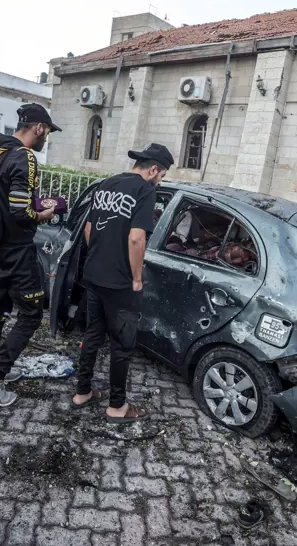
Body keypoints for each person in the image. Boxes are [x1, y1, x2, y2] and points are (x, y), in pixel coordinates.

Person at [71, 143, 174, 423]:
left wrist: (100, 257)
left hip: (93, 275)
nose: (159, 179)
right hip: (120, 284)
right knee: (121, 344)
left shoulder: (106, 184)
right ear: (153, 169)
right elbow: (136, 238)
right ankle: (117, 406)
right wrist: (137, 278)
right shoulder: (145, 190)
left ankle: (82, 392)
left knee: (93, 335)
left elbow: (90, 229)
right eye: (161, 174)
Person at [0, 104, 59, 407]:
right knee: (31, 314)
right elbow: (20, 210)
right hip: (17, 251)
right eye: (47, 131)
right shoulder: (25, 157)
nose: (46, 137)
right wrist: (45, 213)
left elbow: (0, 202)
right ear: (38, 128)